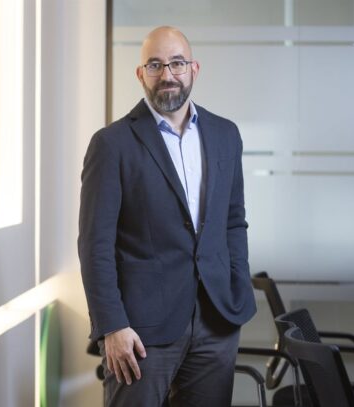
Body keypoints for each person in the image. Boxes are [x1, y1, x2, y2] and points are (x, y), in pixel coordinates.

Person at [78, 26, 256, 406]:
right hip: (140, 330)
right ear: (140, 74)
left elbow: (233, 222)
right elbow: (95, 245)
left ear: (194, 69)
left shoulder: (225, 135)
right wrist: (112, 325)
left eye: (177, 63)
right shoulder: (111, 144)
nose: (168, 74)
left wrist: (237, 283)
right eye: (155, 65)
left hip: (216, 321)